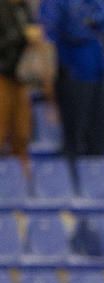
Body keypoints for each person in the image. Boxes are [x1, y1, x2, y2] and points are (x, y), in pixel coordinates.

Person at [40, 0, 104, 156]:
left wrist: (91, 21)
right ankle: (72, 176)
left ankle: (95, 177)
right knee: (76, 136)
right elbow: (71, 28)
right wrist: (91, 22)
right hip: (73, 74)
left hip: (100, 76)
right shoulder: (55, 3)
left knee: (100, 135)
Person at [0, 0, 39, 162]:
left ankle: (21, 181)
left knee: (22, 134)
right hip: (2, 76)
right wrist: (21, 36)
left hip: (21, 78)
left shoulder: (25, 9)